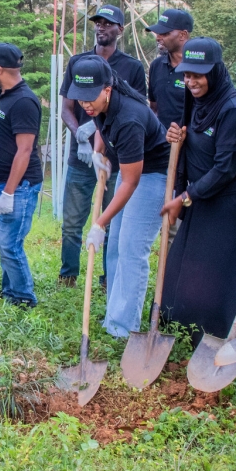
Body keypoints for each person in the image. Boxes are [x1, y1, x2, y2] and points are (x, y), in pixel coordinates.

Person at [157, 38, 236, 377]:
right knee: (188, 273)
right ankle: (203, 340)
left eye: (198, 75)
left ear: (215, 72)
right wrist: (176, 140)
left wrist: (184, 197)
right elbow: (190, 147)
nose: (191, 82)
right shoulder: (195, 101)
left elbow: (226, 169)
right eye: (187, 75)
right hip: (203, 199)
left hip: (234, 203)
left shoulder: (233, 111)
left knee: (234, 279)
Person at [65, 56, 170, 338]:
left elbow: (132, 182)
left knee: (132, 248)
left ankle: (124, 328)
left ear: (107, 89)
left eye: (90, 98)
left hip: (153, 176)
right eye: (80, 98)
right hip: (130, 171)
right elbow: (100, 124)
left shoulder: (129, 119)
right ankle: (114, 315)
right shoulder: (99, 105)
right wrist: (99, 152)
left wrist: (100, 222)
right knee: (114, 248)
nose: (85, 104)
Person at [58, 4, 147, 288]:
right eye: (98, 22)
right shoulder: (78, 63)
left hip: (115, 159)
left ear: (120, 29)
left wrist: (102, 142)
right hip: (81, 157)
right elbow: (66, 109)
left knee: (110, 221)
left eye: (108, 23)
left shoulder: (132, 68)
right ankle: (68, 276)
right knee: (72, 221)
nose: (101, 27)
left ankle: (108, 279)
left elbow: (137, 110)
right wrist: (80, 136)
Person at [0, 43, 43, 307]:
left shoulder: (24, 101)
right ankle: (9, 292)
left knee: (10, 246)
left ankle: (24, 298)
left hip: (18, 186)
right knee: (3, 245)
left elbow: (24, 150)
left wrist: (9, 192)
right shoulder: (1, 96)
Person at [146, 8, 192, 131]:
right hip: (161, 140)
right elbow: (154, 108)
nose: (158, 37)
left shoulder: (197, 69)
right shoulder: (156, 66)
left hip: (190, 139)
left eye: (165, 33)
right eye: (157, 33)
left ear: (182, 35)